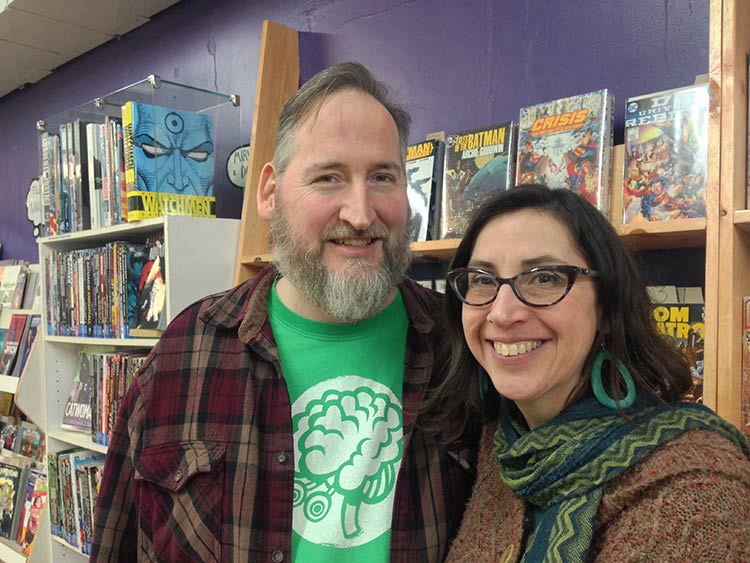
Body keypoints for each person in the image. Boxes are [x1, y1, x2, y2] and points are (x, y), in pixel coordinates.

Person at [90, 61, 476, 563]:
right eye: (329, 177)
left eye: (383, 177)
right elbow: (118, 546)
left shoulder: (463, 346)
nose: (361, 214)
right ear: (270, 192)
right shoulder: (183, 356)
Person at [423, 184, 750, 562]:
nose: (502, 313)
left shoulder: (698, 489)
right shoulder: (503, 446)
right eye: (483, 279)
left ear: (608, 307)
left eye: (544, 277)